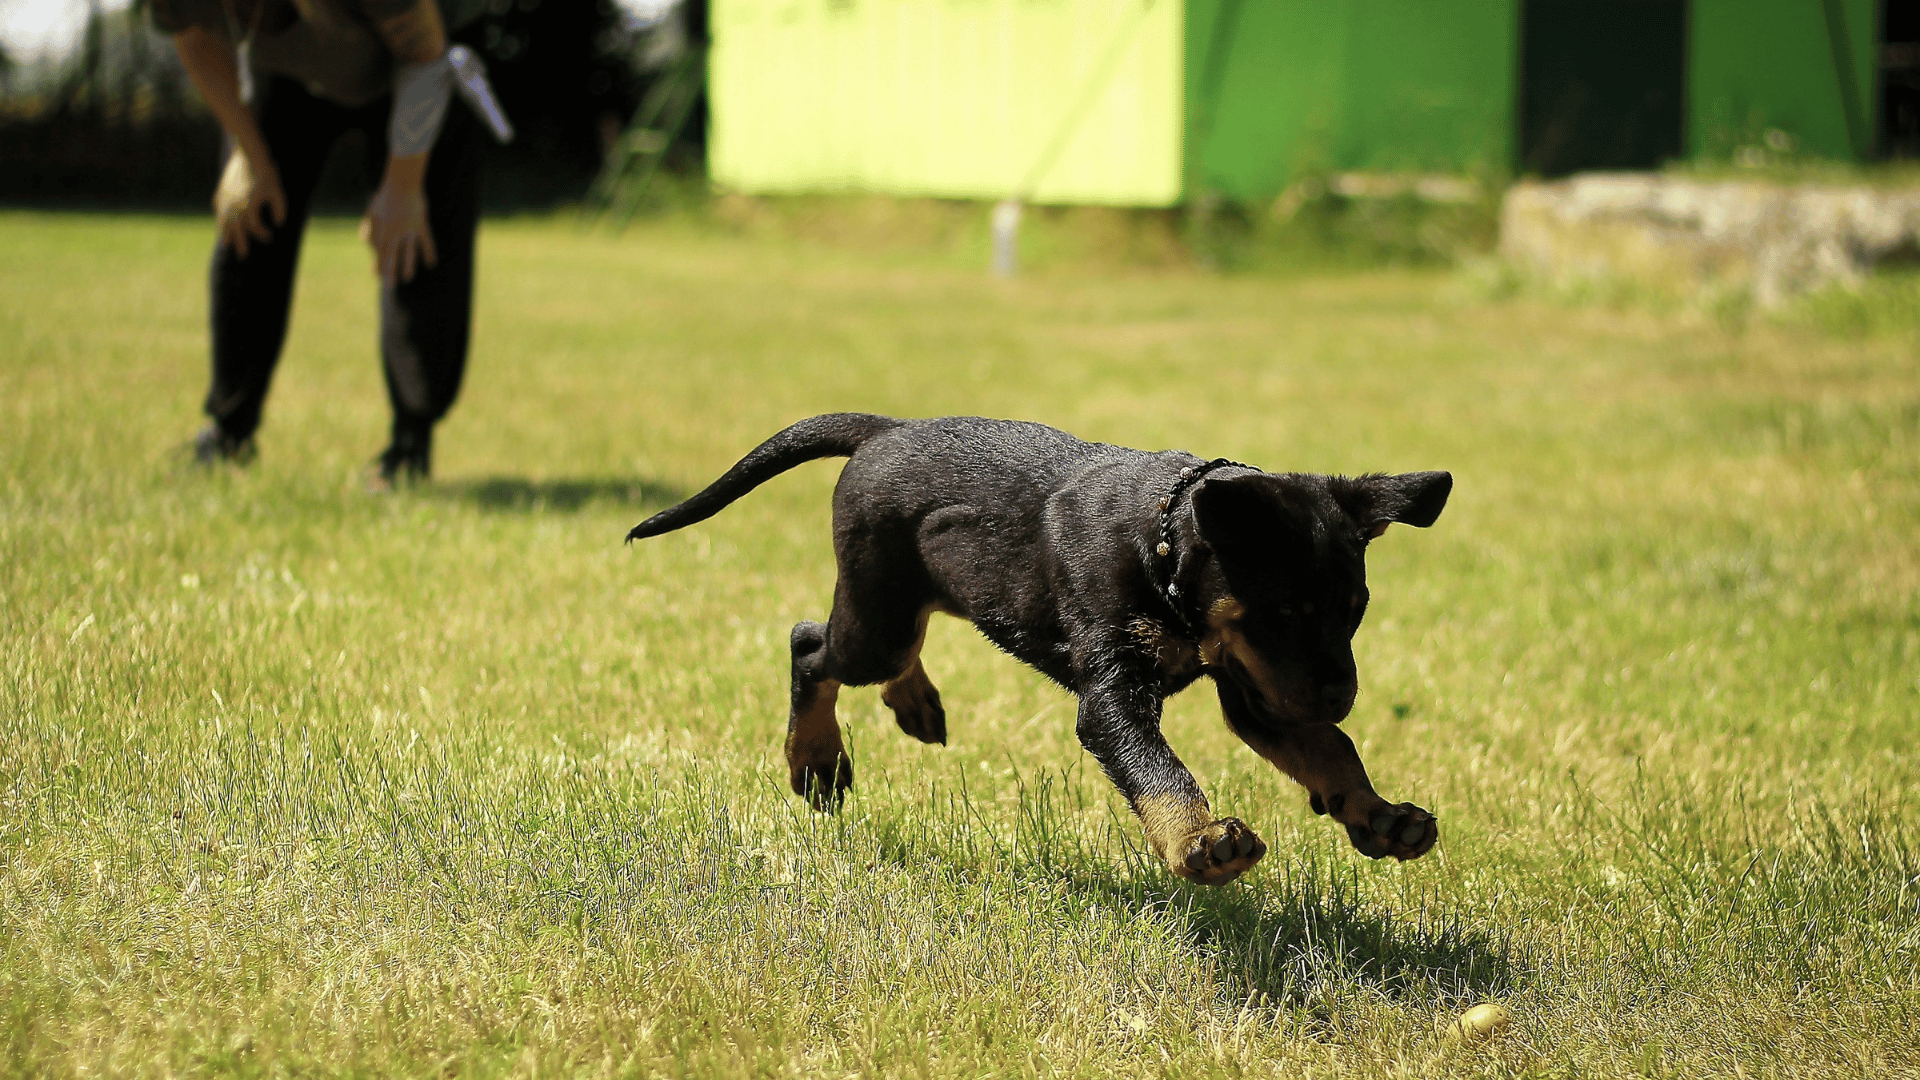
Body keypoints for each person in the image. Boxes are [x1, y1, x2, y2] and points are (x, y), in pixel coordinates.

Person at [156, 0, 501, 484]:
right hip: (291, 72)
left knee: (413, 240)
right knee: (247, 214)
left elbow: (423, 53)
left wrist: (403, 186)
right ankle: (228, 430)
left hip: (418, 64)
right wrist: (247, 153)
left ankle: (409, 444)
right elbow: (194, 36)